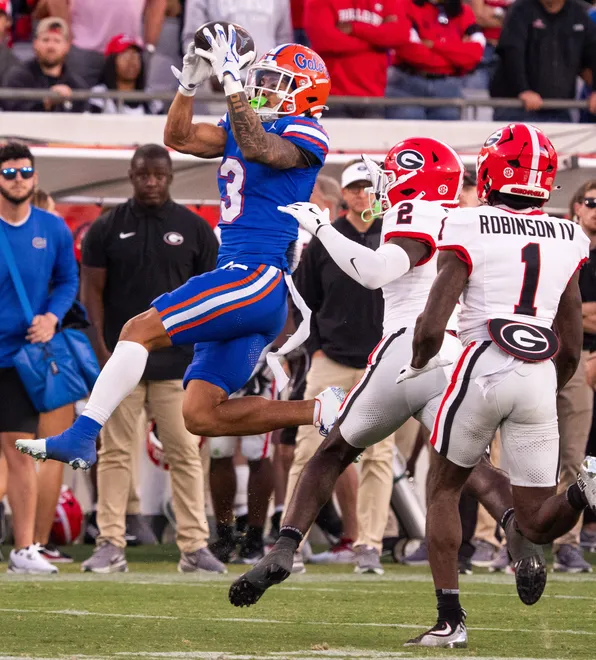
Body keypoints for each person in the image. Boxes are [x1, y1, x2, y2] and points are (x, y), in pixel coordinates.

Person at [227, 137, 545, 611]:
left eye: (395, 172)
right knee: (471, 466)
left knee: (331, 452)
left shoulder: (415, 213)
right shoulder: (468, 220)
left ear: (418, 176)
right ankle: (519, 541)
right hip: (458, 354)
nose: (385, 182)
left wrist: (324, 230)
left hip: (409, 349)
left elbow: (376, 272)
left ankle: (284, 548)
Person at [17, 30, 343, 471]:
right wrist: (188, 86)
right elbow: (180, 138)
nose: (264, 87)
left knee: (136, 330)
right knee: (201, 414)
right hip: (245, 280)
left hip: (255, 276)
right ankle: (322, 411)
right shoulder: (244, 122)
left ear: (306, 94)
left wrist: (230, 84)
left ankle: (81, 435)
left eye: (278, 82)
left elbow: (258, 147)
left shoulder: (307, 131)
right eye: (261, 78)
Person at [396, 123, 596, 648]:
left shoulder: (466, 223)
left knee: (442, 487)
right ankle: (581, 491)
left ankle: (450, 621)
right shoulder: (570, 234)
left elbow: (433, 323)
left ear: (490, 171)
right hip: (538, 371)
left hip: (483, 360)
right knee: (536, 519)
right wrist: (543, 385)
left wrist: (418, 365)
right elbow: (571, 344)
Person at [78, 144, 224, 574]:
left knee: (185, 452)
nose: (151, 182)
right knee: (115, 453)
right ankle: (109, 543)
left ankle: (195, 547)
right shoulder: (106, 228)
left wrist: (203, 354)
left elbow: (213, 298)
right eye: (144, 175)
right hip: (122, 361)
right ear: (131, 175)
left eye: (158, 175)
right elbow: (92, 293)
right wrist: (104, 350)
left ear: (170, 177)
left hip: (176, 364)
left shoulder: (195, 229)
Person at [286, 160, 394, 574]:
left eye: (370, 187)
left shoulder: (395, 237)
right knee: (309, 449)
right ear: (344, 194)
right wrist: (313, 349)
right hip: (330, 359)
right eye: (355, 187)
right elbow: (304, 300)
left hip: (382, 362)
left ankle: (369, 544)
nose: (363, 194)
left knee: (379, 456)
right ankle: (289, 540)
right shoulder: (324, 241)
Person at [0, 142, 78, 573]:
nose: (18, 179)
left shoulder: (54, 228)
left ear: (35, 176)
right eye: (9, 173)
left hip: (20, 360)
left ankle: (24, 548)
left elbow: (68, 280)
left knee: (20, 452)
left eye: (24, 171)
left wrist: (51, 317)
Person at [208, 361, 277, 564]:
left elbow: (289, 332)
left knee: (257, 453)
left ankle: (254, 539)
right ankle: (224, 536)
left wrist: (267, 370)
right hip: (220, 368)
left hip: (258, 365)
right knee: (219, 450)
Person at [490, 0, 596, 123]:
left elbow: (593, 54)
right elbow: (511, 52)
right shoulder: (520, 10)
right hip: (517, 107)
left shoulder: (579, 13)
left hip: (559, 109)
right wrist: (523, 90)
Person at [304, 0, 410, 118]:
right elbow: (324, 40)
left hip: (373, 96)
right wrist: (376, 42)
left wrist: (354, 28)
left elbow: (400, 35)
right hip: (333, 96)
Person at [386, 0, 485, 121]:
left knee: (447, 139)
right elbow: (411, 51)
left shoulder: (464, 12)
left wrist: (433, 45)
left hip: (448, 89)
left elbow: (475, 54)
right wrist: (455, 57)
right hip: (407, 86)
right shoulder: (404, 5)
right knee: (407, 137)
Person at [2, 17, 87, 113]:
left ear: (67, 46)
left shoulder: (77, 86)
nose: (50, 46)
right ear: (35, 44)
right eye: (45, 40)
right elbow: (11, 112)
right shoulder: (17, 78)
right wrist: (45, 103)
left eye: (57, 41)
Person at [89, 34, 163, 116]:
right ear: (112, 62)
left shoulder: (151, 98)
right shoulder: (100, 94)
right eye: (125, 55)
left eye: (135, 55)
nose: (131, 61)